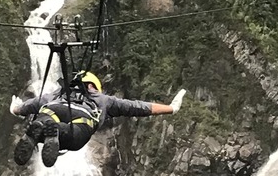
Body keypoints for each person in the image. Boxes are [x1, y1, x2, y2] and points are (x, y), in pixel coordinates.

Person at [10, 69, 186, 167]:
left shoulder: (55, 94)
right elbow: (138, 107)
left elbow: (24, 108)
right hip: (82, 116)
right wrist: (171, 108)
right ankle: (56, 132)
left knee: (43, 120)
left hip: (52, 109)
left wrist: (16, 108)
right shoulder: (103, 100)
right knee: (74, 137)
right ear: (95, 86)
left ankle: (41, 128)